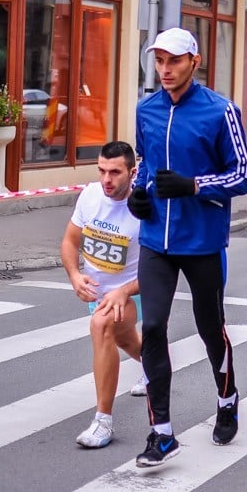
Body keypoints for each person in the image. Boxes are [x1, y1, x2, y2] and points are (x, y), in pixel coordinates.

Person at [128, 27, 247, 467]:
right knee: (154, 328)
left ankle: (227, 397)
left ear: (193, 62)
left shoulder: (221, 112)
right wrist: (137, 194)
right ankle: (161, 431)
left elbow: (244, 176)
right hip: (155, 240)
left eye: (174, 61)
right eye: (159, 60)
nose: (165, 69)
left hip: (202, 241)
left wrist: (194, 185)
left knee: (209, 328)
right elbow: (144, 164)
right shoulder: (146, 109)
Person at [60, 141, 148, 448]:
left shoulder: (143, 206)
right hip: (98, 292)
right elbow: (70, 242)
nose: (106, 179)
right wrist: (74, 276)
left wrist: (124, 291)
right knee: (123, 340)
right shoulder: (91, 195)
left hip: (134, 292)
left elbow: (160, 266)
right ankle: (156, 366)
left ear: (132, 172)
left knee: (102, 327)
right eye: (101, 170)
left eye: (114, 172)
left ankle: (103, 422)